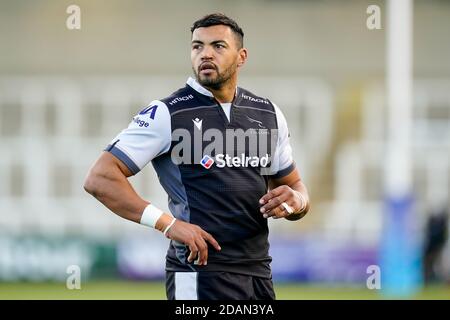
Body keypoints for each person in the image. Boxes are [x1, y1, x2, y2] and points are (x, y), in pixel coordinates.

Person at [84, 13, 310, 300]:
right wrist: (169, 224)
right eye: (197, 46)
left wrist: (296, 200)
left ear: (241, 57)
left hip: (258, 273)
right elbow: (100, 178)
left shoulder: (268, 114)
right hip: (196, 272)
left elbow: (295, 186)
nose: (205, 53)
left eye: (218, 46)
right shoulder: (167, 113)